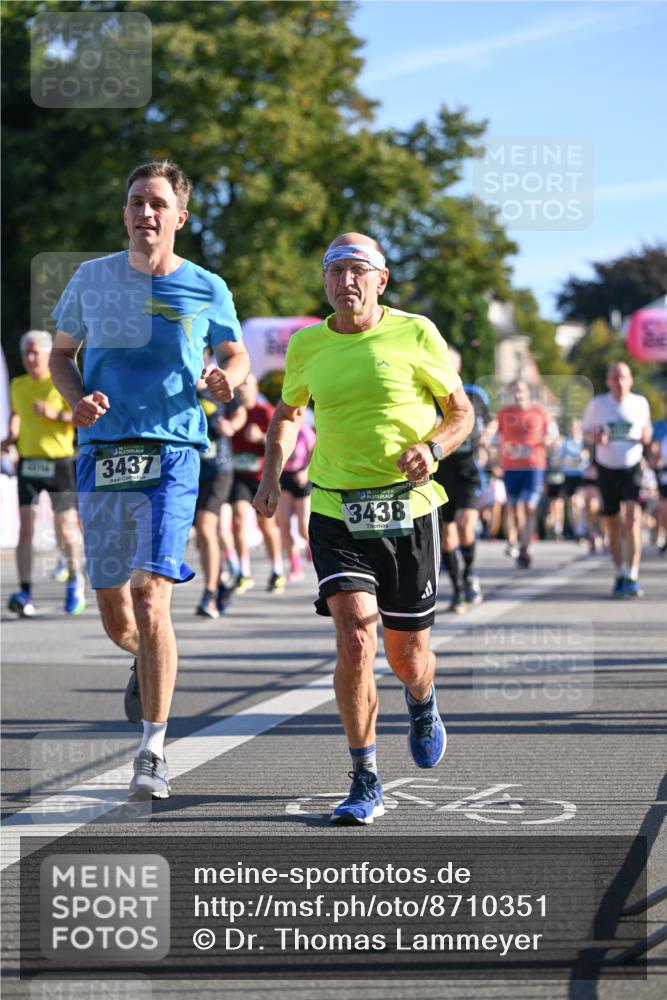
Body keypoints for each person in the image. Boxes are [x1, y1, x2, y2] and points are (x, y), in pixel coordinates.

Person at [253, 233, 473, 826]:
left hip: (409, 506)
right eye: (334, 270)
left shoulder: (416, 332)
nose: (345, 280)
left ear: (381, 280)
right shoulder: (306, 344)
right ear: (324, 282)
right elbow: (289, 414)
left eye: (357, 270)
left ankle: (422, 699)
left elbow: (462, 412)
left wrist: (434, 447)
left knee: (409, 656)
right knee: (355, 636)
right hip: (334, 508)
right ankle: (364, 777)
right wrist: (272, 475)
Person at [49, 159, 249, 800]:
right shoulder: (91, 278)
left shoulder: (206, 286)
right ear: (126, 212)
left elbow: (234, 352)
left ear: (179, 216)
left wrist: (228, 379)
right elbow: (60, 353)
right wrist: (77, 399)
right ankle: (142, 658)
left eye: (158, 203)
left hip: (174, 452)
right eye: (136, 201)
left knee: (150, 595)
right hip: (103, 451)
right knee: (115, 612)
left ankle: (153, 751)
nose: (146, 213)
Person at [2, 329, 85, 617]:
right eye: (27, 352)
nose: (31, 357)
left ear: (49, 354)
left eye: (36, 351)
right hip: (29, 463)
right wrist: (9, 438)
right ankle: (25, 590)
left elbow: (81, 417)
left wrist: (54, 415)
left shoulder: (61, 382)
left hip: (59, 463)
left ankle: (75, 579)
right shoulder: (17, 385)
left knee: (65, 528)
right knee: (25, 528)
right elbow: (15, 415)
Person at [582, 362, 652, 596]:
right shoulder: (597, 404)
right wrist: (596, 437)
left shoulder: (640, 403)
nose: (619, 382)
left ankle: (632, 575)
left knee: (632, 519)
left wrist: (646, 436)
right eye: (615, 378)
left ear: (630, 379)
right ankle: (620, 572)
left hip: (632, 467)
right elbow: (585, 433)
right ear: (608, 381)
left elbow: (647, 432)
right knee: (612, 524)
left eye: (623, 377)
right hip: (607, 468)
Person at [434, 348, 491, 613]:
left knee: (466, 526)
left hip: (468, 471)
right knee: (447, 538)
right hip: (441, 473)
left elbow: (492, 422)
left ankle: (469, 574)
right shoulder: (428, 395)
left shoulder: (473, 394)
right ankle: (457, 590)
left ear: (457, 366)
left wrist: (485, 438)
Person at [193, 351, 246, 618]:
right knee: (202, 535)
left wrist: (231, 426)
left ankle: (210, 593)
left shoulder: (218, 381)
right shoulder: (174, 381)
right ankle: (226, 572)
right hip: (186, 468)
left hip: (218, 467)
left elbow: (239, 412)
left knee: (205, 524)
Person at [230, 373, 285, 593]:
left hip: (262, 478)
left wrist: (261, 438)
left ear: (255, 389)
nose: (242, 388)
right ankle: (243, 572)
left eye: (247, 384)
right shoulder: (234, 412)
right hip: (239, 476)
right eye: (239, 384)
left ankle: (277, 570)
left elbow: (281, 442)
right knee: (239, 518)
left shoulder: (266, 412)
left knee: (266, 526)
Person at [496, 379, 552, 568]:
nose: (518, 394)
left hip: (533, 465)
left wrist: (549, 440)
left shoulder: (539, 412)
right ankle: (514, 541)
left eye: (521, 390)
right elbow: (497, 438)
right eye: (515, 391)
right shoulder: (504, 414)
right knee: (512, 507)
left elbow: (551, 433)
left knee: (528, 505)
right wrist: (496, 453)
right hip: (511, 466)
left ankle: (525, 548)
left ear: (528, 392)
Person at [278, 417, 316, 581]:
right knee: (284, 525)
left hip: (301, 478)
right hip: (285, 478)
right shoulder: (282, 430)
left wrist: (306, 471)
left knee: (302, 527)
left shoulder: (305, 431)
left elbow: (316, 453)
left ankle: (314, 548)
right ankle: (295, 567)